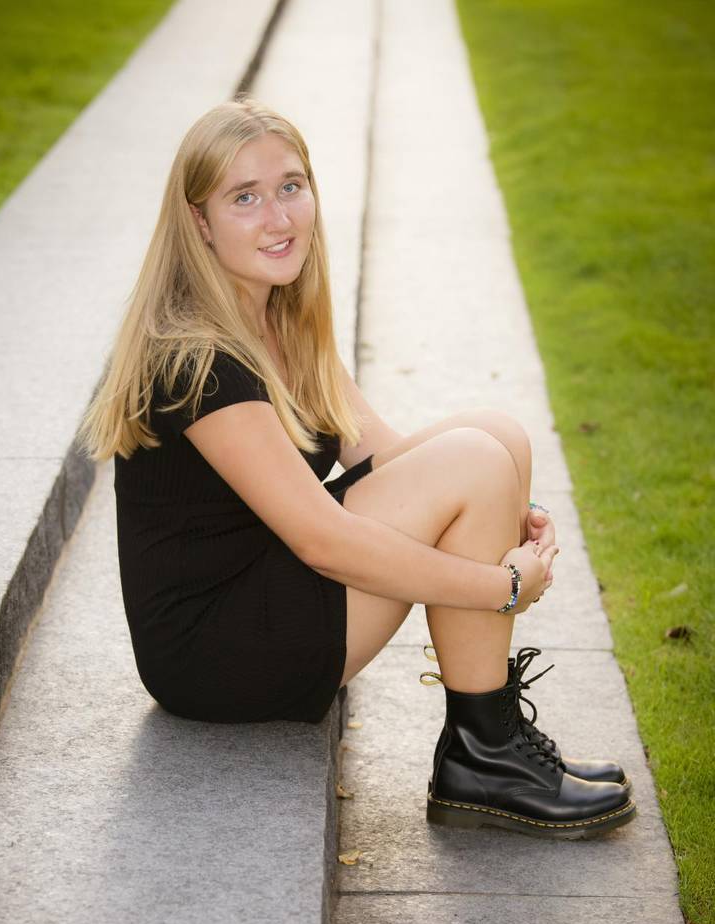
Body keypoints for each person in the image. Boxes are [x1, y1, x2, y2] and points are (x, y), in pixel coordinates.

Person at [76, 95, 636, 841]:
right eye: (245, 197)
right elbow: (323, 542)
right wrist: (499, 584)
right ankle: (486, 755)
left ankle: (487, 743)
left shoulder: (274, 314)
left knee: (495, 437)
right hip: (213, 649)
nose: (279, 217)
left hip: (267, 583)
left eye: (290, 186)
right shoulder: (197, 358)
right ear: (199, 222)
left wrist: (501, 497)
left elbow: (385, 456)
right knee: (472, 460)